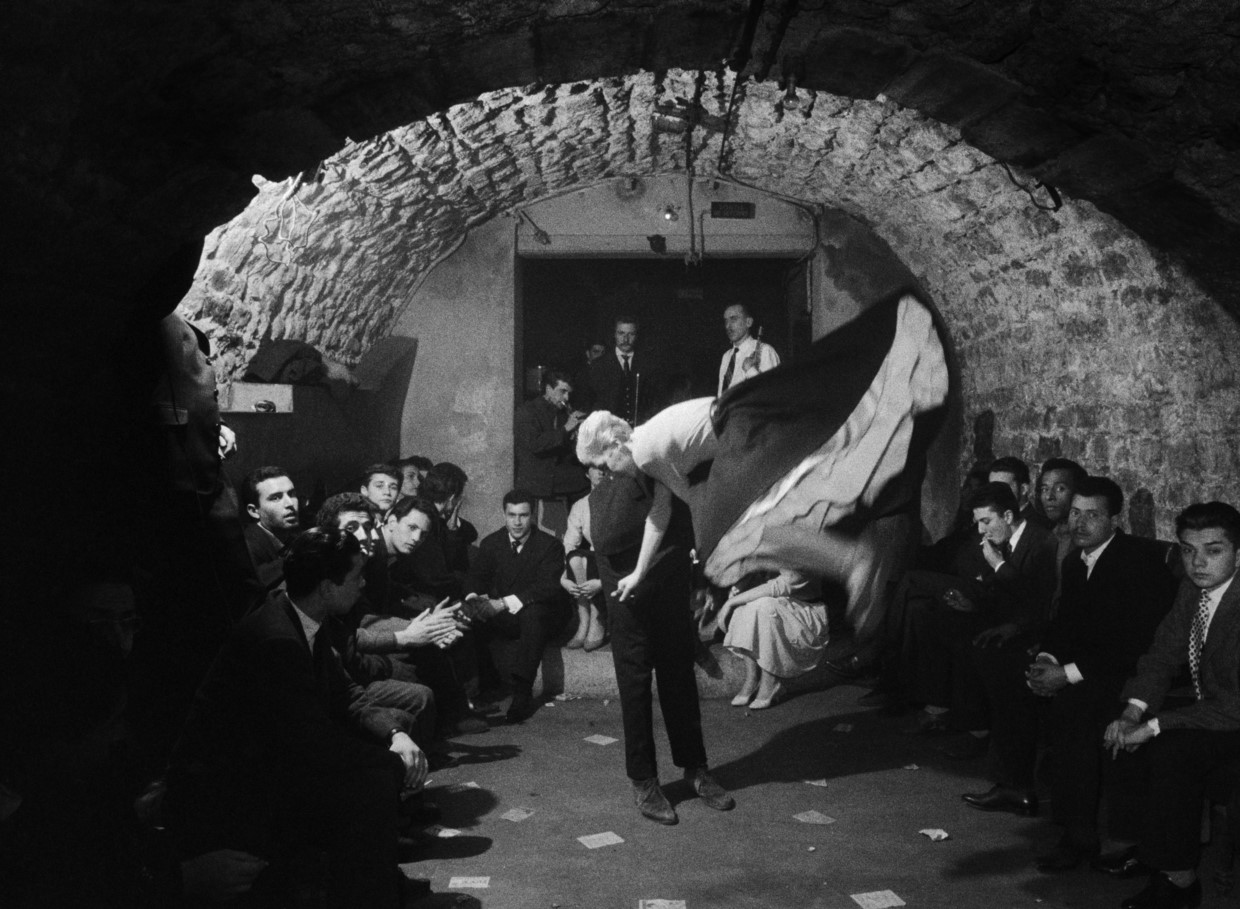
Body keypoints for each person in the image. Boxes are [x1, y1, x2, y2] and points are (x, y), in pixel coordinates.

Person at [164, 527, 429, 909]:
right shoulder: (278, 639)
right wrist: (391, 764)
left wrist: (394, 735)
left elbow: (347, 695)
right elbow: (312, 744)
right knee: (371, 784)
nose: (363, 583)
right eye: (356, 577)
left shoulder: (302, 616)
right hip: (230, 787)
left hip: (271, 762)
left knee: (376, 770)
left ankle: (380, 887)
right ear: (326, 586)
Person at [979, 477, 1177, 870]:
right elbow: (1065, 627)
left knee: (1078, 707)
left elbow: (1133, 645)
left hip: (1132, 674)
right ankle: (1063, 821)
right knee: (1018, 678)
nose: (1080, 523)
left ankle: (1115, 838)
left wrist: (1066, 675)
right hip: (1093, 669)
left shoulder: (1136, 563)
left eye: (1092, 515)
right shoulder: (1074, 561)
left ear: (1113, 518)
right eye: (1075, 513)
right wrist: (1049, 660)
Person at [575, 446, 735, 825]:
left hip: (670, 601)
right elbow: (611, 541)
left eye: (606, 463)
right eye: (595, 467)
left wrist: (696, 580)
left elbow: (688, 537)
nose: (600, 473)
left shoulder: (664, 479)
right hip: (629, 606)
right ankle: (644, 781)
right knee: (635, 690)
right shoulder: (606, 497)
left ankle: (695, 768)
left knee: (680, 683)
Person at [1101, 502, 1240, 909]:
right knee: (1124, 724)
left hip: (1235, 714)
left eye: (1213, 550)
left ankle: (1180, 879)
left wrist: (1157, 725)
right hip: (1214, 705)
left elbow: (1236, 704)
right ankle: (1149, 850)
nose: (1197, 562)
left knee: (1174, 748)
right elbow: (1163, 653)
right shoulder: (1193, 588)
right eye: (1187, 549)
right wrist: (1132, 713)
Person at [904, 481, 1056, 760]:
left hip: (1029, 631)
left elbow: (1037, 602)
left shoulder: (1041, 542)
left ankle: (979, 732)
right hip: (997, 619)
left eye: (986, 521)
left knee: (974, 643)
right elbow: (996, 595)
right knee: (936, 620)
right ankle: (950, 715)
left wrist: (998, 565)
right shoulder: (997, 542)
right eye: (977, 522)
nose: (980, 530)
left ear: (1008, 517)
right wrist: (972, 604)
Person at [462, 490, 567, 723]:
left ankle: (522, 692)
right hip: (505, 617)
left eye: (523, 515)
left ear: (533, 515)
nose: (517, 522)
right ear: (504, 515)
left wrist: (502, 603)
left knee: (534, 613)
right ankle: (486, 683)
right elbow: (476, 577)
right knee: (468, 611)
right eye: (512, 515)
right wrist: (474, 599)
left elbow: (547, 588)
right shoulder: (492, 543)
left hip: (541, 616)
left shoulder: (549, 546)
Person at [718, 569, 827, 709]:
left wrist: (730, 602)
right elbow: (756, 567)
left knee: (764, 606)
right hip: (781, 602)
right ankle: (752, 678)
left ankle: (771, 681)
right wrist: (739, 587)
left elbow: (782, 585)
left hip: (806, 610)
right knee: (743, 608)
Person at [514, 369, 588, 536]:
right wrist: (565, 430)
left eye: (569, 393)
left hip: (559, 482)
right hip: (538, 482)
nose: (566, 398)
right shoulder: (527, 411)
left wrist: (578, 436)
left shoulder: (563, 413)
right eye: (562, 392)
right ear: (548, 389)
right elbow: (535, 444)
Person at [580, 315, 659, 426]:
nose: (626, 339)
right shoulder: (598, 365)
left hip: (639, 430)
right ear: (614, 334)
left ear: (636, 336)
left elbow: (653, 401)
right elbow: (590, 402)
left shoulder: (647, 365)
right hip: (607, 431)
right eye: (621, 333)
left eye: (631, 334)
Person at [562, 465, 607, 651]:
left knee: (594, 557)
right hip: (595, 562)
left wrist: (602, 581)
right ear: (587, 474)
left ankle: (598, 618)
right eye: (596, 468)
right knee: (575, 557)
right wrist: (564, 577)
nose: (601, 472)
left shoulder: (622, 501)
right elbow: (569, 544)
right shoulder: (581, 505)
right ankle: (584, 616)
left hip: (615, 562)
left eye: (605, 467)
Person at [241, 466, 300, 592]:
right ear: (254, 511)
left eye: (291, 494)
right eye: (276, 498)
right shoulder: (245, 548)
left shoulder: (296, 540)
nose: (290, 503)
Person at [718, 303, 780, 395]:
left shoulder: (765, 351)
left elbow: (772, 394)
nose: (728, 326)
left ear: (749, 322)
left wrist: (750, 370)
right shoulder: (726, 356)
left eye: (733, 319)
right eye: (726, 321)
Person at [989, 456, 1052, 529]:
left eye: (1002, 488)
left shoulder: (1040, 526)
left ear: (1023, 489)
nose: (995, 494)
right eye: (992, 487)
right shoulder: (989, 521)